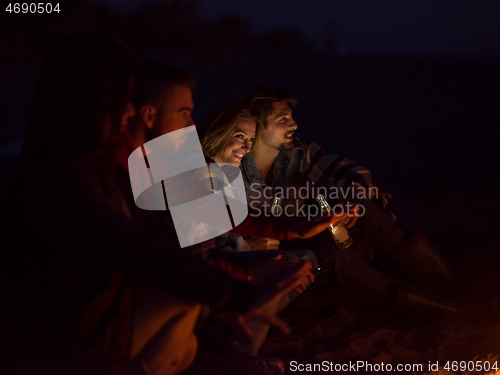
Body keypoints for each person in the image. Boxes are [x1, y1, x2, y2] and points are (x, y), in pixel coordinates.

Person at [0, 37, 319, 375]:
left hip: (101, 301)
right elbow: (136, 246)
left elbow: (196, 222)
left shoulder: (132, 161)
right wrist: (232, 290)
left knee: (263, 272)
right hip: (60, 325)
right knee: (186, 303)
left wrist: (282, 236)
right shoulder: (73, 171)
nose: (128, 110)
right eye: (184, 113)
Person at [240, 86, 459, 314]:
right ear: (258, 127)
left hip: (308, 243)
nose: (294, 125)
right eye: (283, 119)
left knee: (360, 207)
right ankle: (448, 310)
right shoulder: (236, 171)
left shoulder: (294, 152)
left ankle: (452, 287)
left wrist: (352, 200)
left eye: (292, 117)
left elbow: (340, 169)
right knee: (337, 257)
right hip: (279, 268)